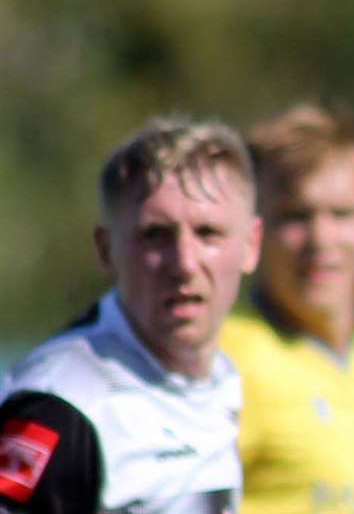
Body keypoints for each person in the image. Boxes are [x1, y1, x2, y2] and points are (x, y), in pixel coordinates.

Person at [0, 117, 261, 513]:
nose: (185, 263)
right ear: (106, 250)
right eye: (155, 235)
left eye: (208, 233)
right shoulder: (62, 406)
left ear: (251, 245)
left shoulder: (225, 377)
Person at [219, 105, 354, 514]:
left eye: (341, 214)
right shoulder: (224, 360)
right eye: (295, 216)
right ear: (253, 230)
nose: (321, 239)